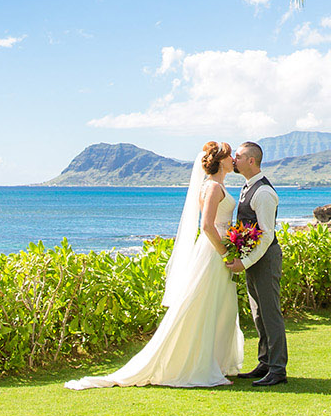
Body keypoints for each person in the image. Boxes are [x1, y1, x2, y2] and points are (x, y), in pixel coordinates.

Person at [65, 141, 243, 388]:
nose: (233, 159)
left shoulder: (215, 185)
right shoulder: (212, 187)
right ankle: (198, 366)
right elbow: (206, 226)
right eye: (229, 155)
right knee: (204, 304)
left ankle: (212, 361)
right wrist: (225, 253)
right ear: (220, 160)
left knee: (217, 304)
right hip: (213, 252)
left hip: (215, 250)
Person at [227, 141, 288, 386]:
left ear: (251, 161)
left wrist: (247, 261)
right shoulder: (247, 187)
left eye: (238, 157)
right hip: (254, 260)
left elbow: (267, 234)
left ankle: (277, 369)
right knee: (258, 313)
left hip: (265, 259)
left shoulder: (263, 193)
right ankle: (265, 361)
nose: (234, 160)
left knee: (270, 313)